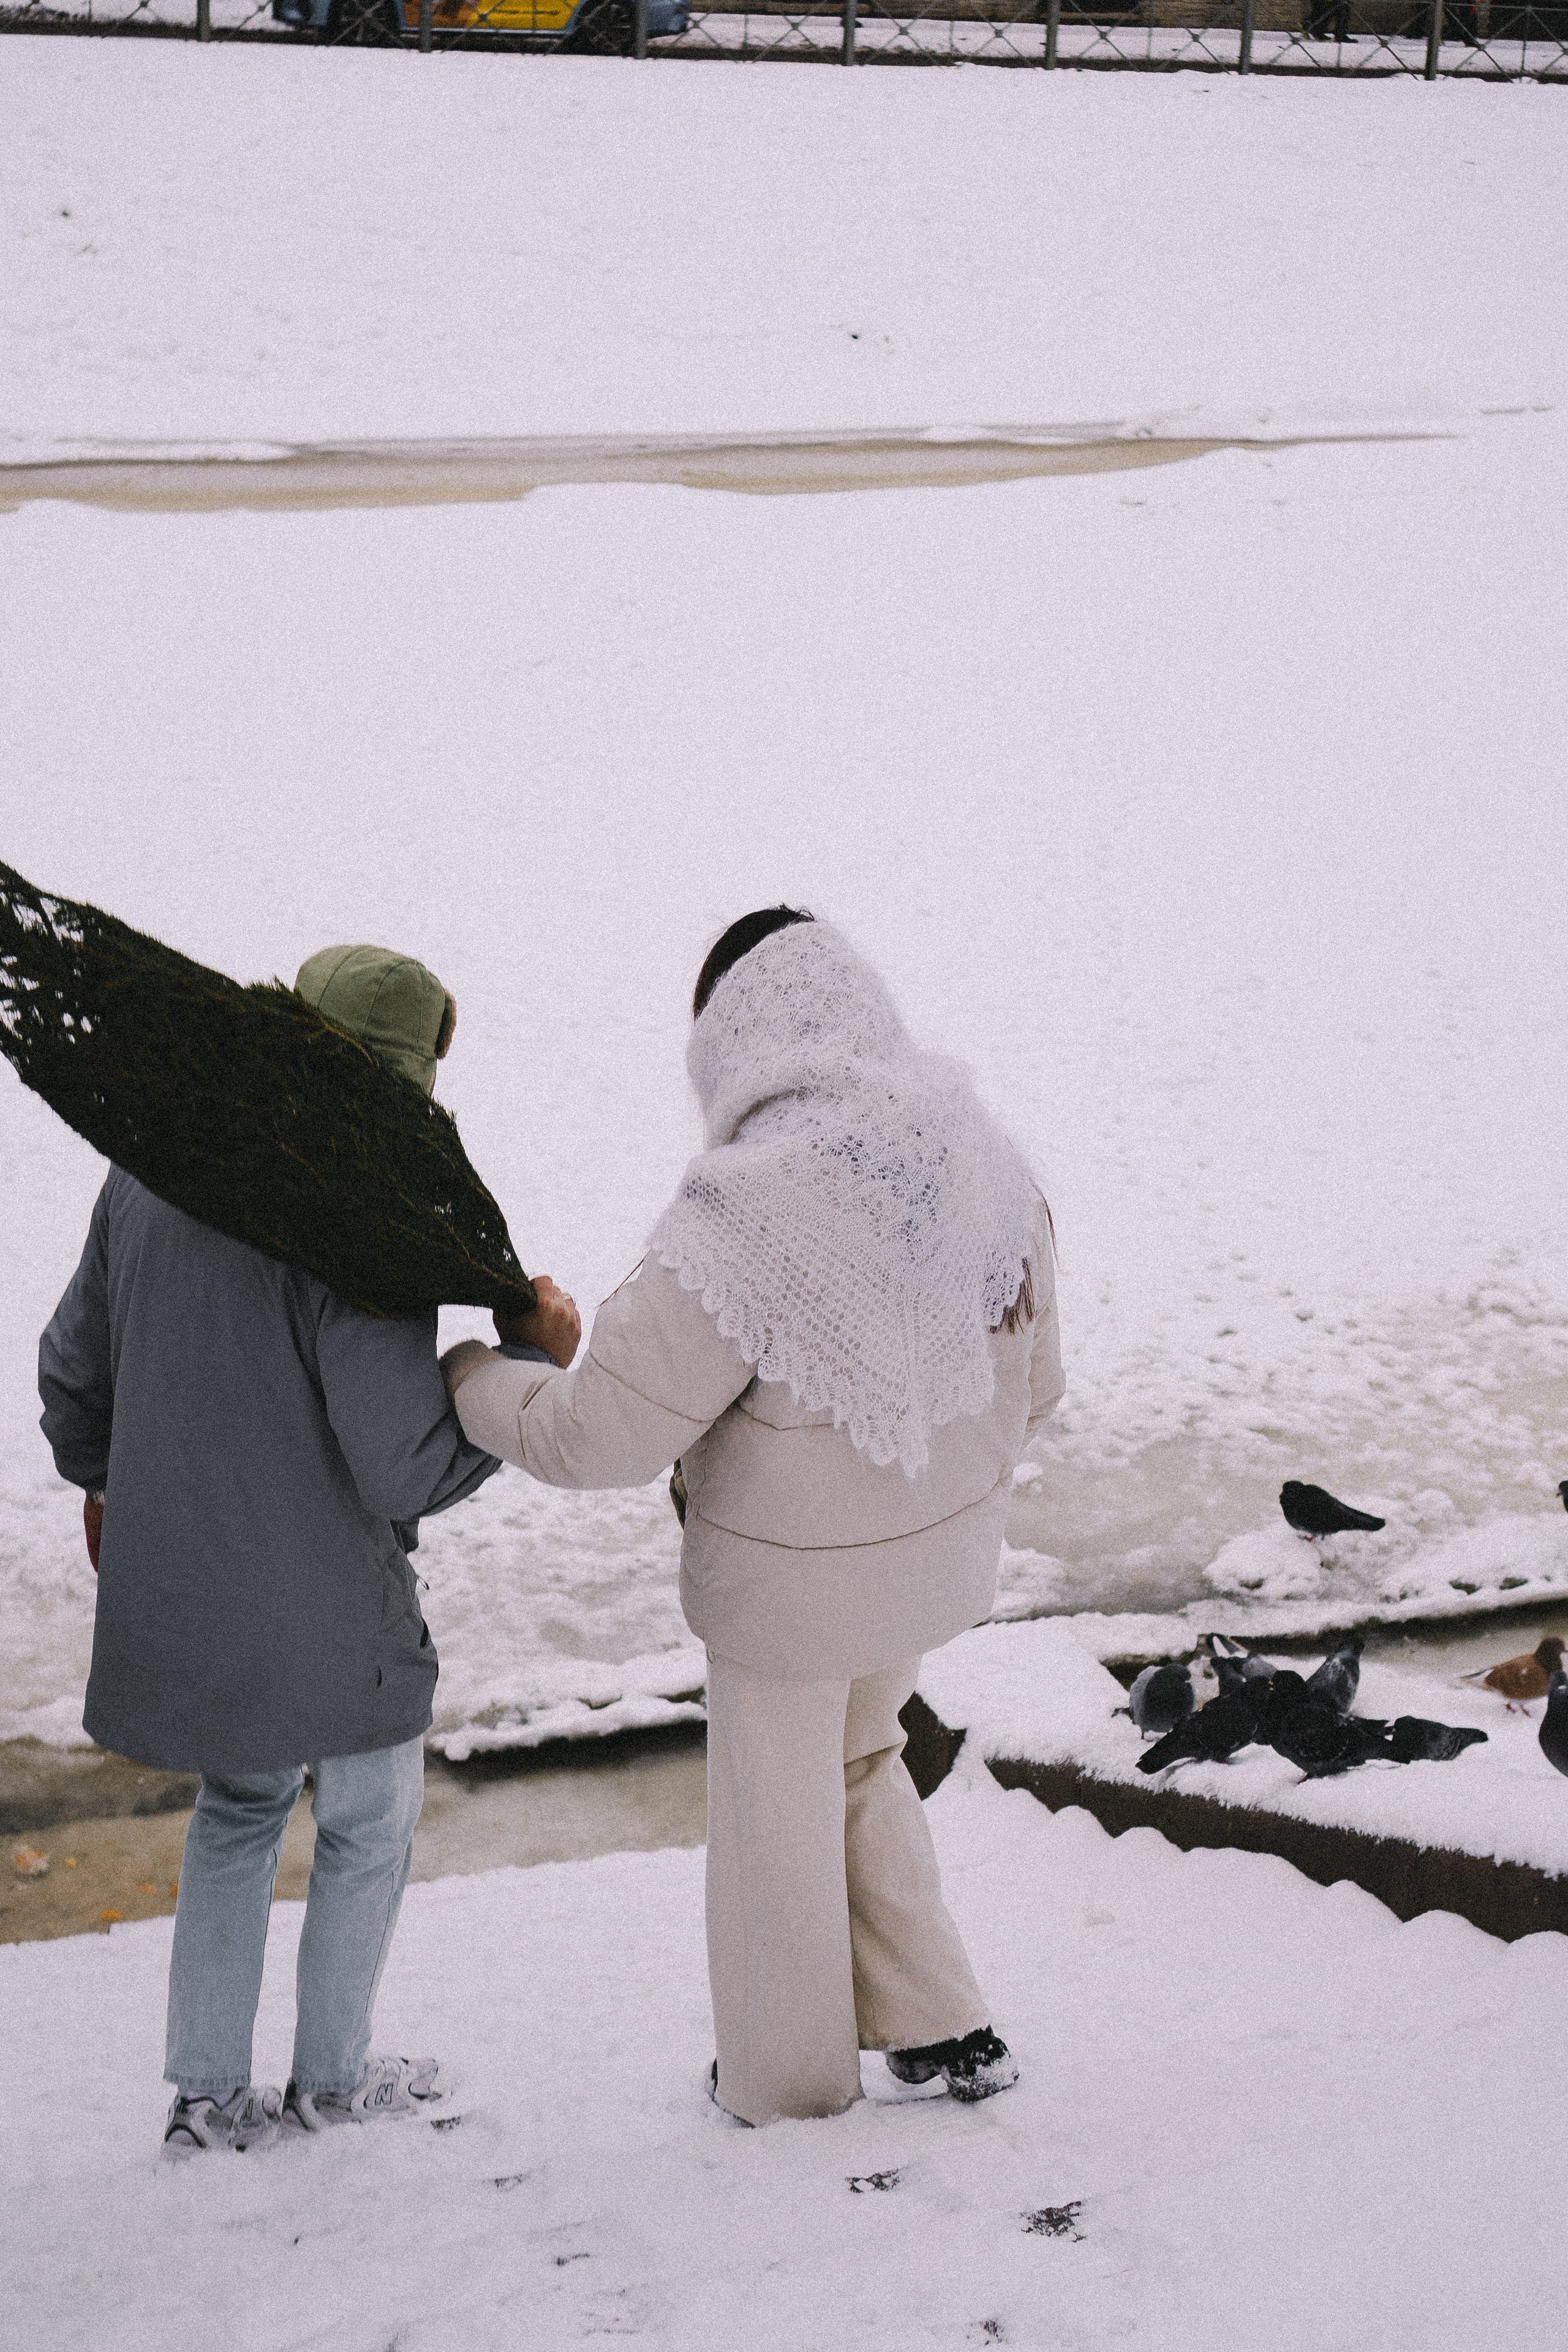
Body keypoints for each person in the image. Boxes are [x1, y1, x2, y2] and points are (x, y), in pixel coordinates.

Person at [442, 909, 1063, 2128]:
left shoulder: (740, 1219)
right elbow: (1034, 1389)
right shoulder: (990, 1168)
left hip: (783, 1595)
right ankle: (943, 2022)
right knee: (861, 1755)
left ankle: (784, 2083)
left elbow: (596, 1437)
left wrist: (469, 1377)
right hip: (934, 1567)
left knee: (774, 1811)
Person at [38, 943, 570, 2156]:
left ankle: (209, 2098)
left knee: (235, 1810)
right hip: (331, 1608)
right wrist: (533, 1361)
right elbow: (399, 1466)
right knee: (369, 1818)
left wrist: (103, 1481)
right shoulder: (357, 1216)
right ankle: (332, 2078)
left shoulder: (150, 1166)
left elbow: (73, 1365)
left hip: (189, 1588)